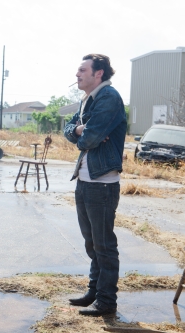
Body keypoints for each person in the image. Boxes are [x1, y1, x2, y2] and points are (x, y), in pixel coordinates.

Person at [63, 54, 127, 316]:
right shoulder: (88, 100)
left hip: (102, 184)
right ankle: (94, 291)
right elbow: (71, 130)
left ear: (98, 73)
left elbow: (89, 139)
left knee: (104, 245)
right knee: (92, 243)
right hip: (85, 179)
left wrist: (82, 133)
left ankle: (107, 302)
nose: (77, 74)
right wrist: (79, 130)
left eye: (82, 70)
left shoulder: (108, 98)